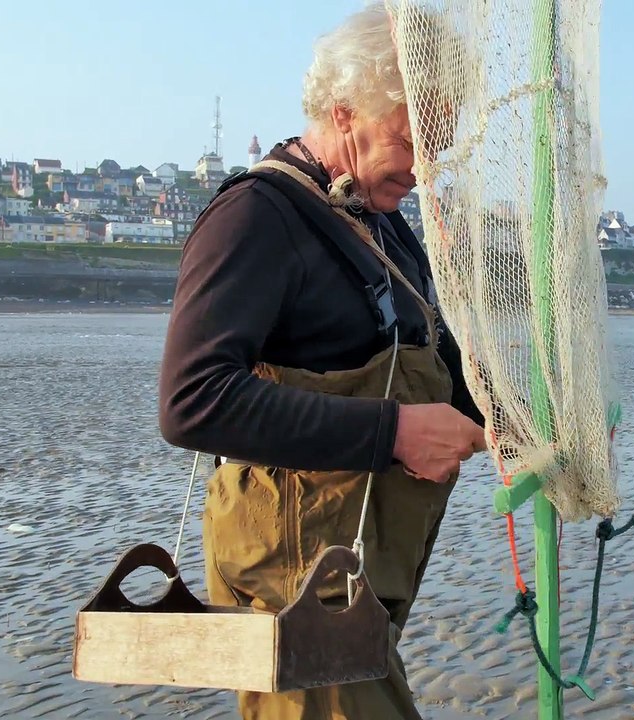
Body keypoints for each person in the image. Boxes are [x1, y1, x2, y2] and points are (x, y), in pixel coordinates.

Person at [157, 5, 486, 718]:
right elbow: (192, 401)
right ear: (344, 113)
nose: (426, 169)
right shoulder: (254, 217)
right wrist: (394, 434)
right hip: (293, 590)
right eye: (411, 140)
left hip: (355, 578)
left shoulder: (379, 222)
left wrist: (522, 424)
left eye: (439, 143)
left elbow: (438, 354)